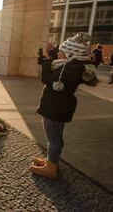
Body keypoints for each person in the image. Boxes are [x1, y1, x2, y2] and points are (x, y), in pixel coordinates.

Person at [32, 32, 98, 179]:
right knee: (55, 138)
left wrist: (46, 64)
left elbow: (50, 81)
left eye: (62, 51)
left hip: (56, 108)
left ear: (70, 53)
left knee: (53, 139)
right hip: (57, 106)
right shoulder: (70, 66)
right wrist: (47, 63)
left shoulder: (71, 69)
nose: (59, 54)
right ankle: (51, 161)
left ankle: (51, 168)